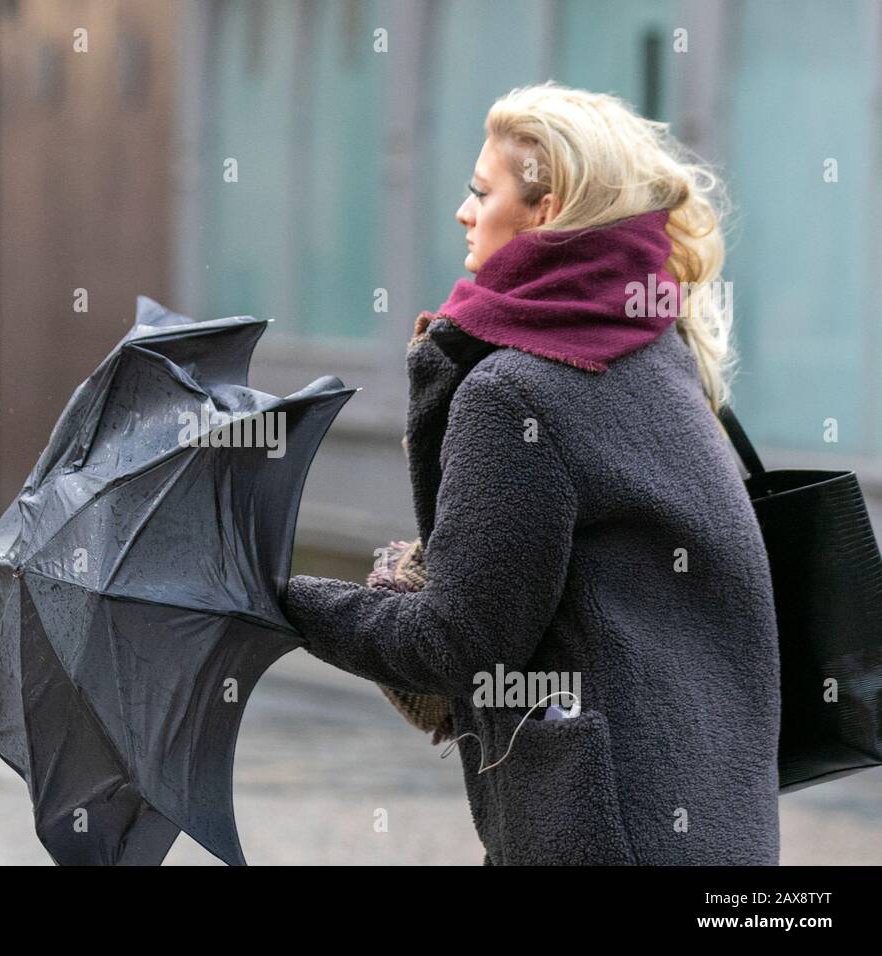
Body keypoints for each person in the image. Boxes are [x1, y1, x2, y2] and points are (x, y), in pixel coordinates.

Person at [280, 82, 781, 865]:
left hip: (604, 838)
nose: (463, 211)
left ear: (547, 213)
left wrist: (278, 596)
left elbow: (459, 646)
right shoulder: (659, 353)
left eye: (483, 191)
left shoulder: (517, 393)